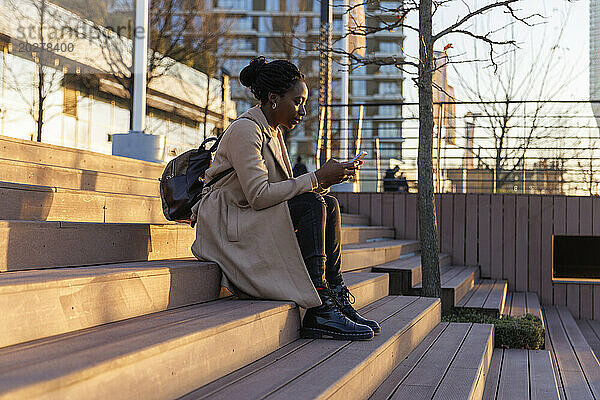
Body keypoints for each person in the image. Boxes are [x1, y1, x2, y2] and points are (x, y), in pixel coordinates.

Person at [191, 57, 380, 340]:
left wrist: (327, 180)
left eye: (304, 103)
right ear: (273, 98)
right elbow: (258, 195)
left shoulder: (272, 131)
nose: (302, 110)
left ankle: (333, 292)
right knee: (313, 205)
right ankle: (319, 304)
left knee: (328, 203)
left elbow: (283, 191)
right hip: (226, 222)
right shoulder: (246, 129)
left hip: (246, 215)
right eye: (297, 101)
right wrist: (316, 178)